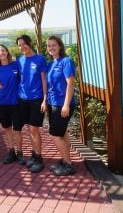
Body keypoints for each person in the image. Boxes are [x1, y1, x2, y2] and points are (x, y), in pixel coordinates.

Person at [16, 35, 47, 173]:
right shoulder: (19, 60)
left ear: (30, 44)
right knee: (29, 129)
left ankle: (39, 158)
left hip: (36, 99)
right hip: (22, 99)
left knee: (34, 129)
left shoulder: (40, 59)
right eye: (19, 45)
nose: (22, 47)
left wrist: (45, 99)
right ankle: (34, 155)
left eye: (24, 44)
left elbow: (44, 81)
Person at [46, 35, 77, 176]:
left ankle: (69, 164)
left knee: (54, 135)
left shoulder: (66, 61)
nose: (51, 48)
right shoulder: (51, 64)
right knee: (62, 133)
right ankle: (65, 160)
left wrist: (66, 105)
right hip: (52, 103)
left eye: (54, 45)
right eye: (49, 46)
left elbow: (71, 83)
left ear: (60, 46)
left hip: (62, 104)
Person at [0, 44, 25, 165]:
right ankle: (11, 152)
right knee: (7, 129)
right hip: (3, 103)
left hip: (17, 103)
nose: (1, 52)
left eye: (3, 50)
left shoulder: (16, 65)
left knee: (17, 129)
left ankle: (20, 152)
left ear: (7, 51)